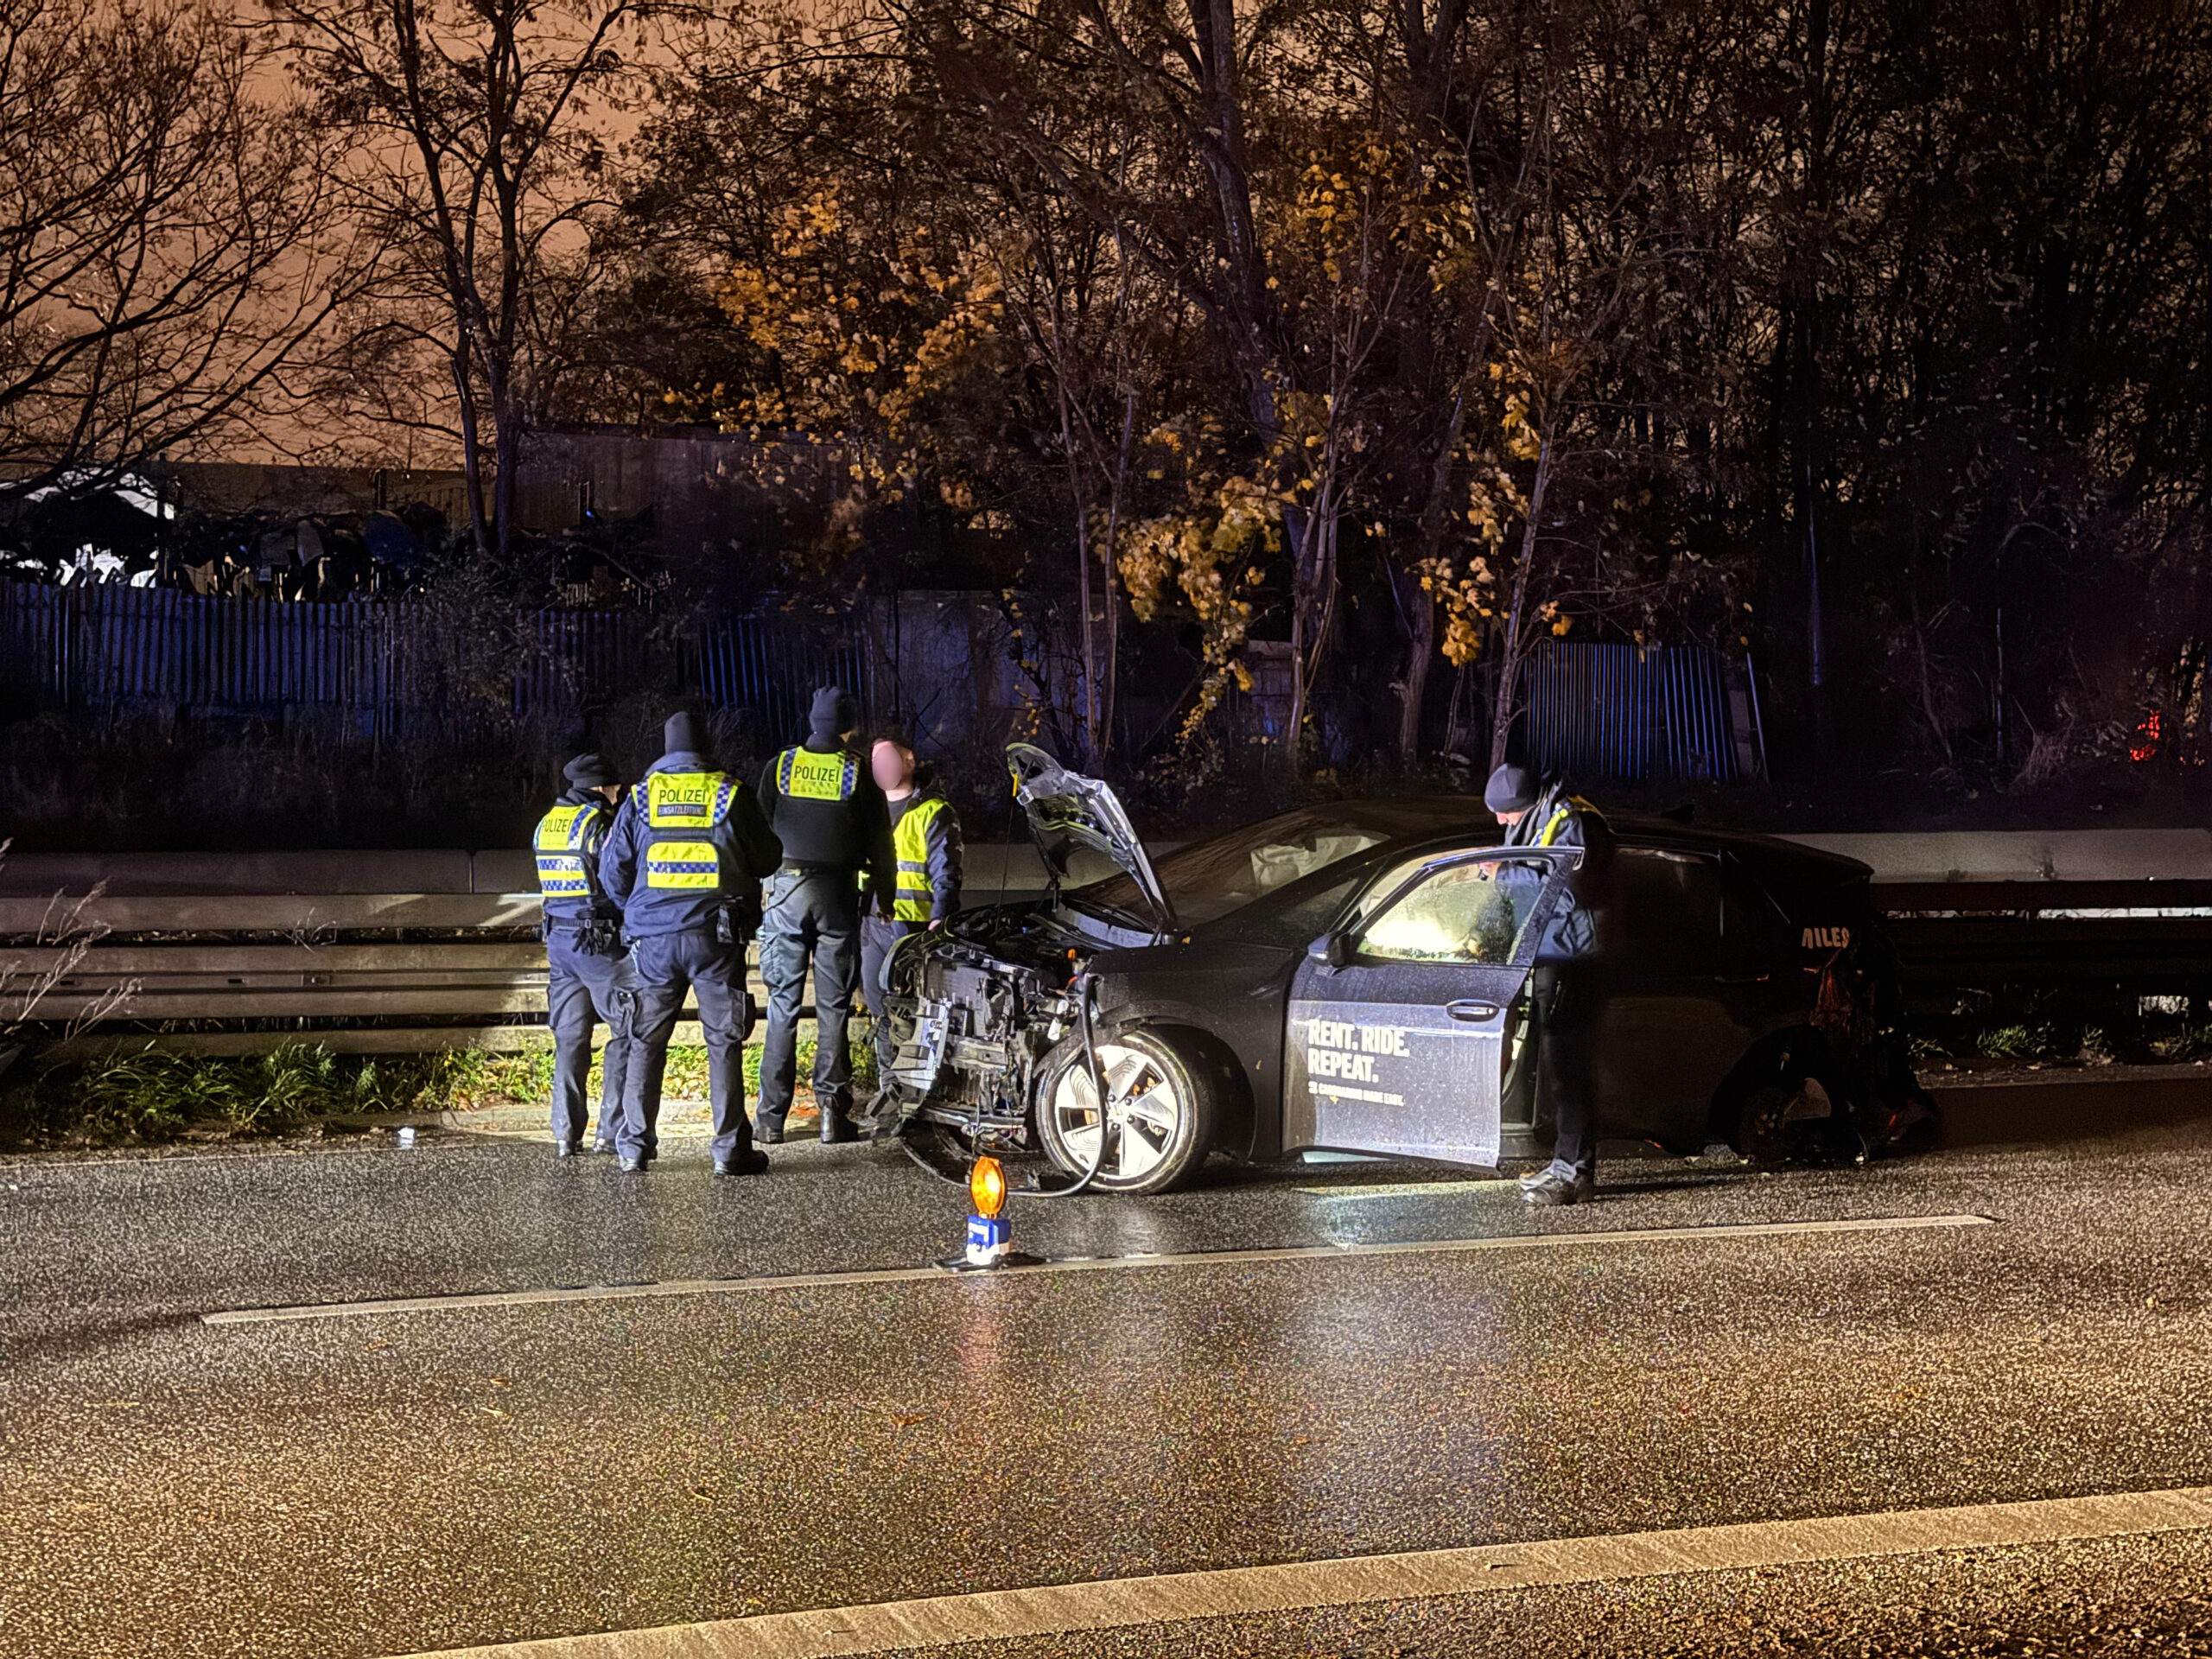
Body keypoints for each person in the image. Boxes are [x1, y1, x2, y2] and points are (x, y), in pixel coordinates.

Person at [598, 711, 782, 1176]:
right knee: (723, 1042)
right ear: (706, 748)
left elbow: (611, 872)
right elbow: (768, 857)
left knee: (645, 1040)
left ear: (666, 750)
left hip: (654, 943)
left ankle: (634, 1147)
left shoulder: (640, 797)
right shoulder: (729, 792)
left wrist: (640, 911)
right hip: (716, 938)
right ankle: (729, 1151)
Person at [754, 685, 893, 1145]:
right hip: (837, 895)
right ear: (849, 727)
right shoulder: (857, 771)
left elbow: (758, 830)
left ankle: (770, 1121)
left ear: (811, 721)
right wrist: (885, 897)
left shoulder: (781, 766)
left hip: (785, 893)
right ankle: (834, 1117)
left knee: (782, 1008)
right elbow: (881, 844)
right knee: (833, 1009)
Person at [1485, 762, 1615, 1206]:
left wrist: (1502, 873)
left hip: (1574, 961)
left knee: (1571, 1070)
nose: (1501, 822)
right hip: (1550, 955)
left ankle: (1574, 1174)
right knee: (1560, 1072)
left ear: (1524, 805)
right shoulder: (1535, 819)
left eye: (1506, 815)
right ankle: (1564, 1164)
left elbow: (1566, 891)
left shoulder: (1567, 821)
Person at [533, 753, 636, 1158]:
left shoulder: (547, 824)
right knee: (629, 1030)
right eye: (615, 787)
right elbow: (616, 880)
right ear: (600, 788)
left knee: (570, 1038)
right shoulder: (598, 825)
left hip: (559, 942)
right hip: (599, 944)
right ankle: (610, 1133)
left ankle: (565, 1133)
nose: (618, 794)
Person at [858, 731, 963, 1106]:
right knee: (880, 1011)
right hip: (872, 926)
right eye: (875, 762)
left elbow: (945, 871)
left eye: (888, 758)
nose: (881, 768)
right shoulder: (865, 811)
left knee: (918, 1014)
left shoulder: (933, 811)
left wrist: (940, 918)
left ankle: (922, 1092)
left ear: (909, 760)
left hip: (917, 930)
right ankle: (891, 1090)